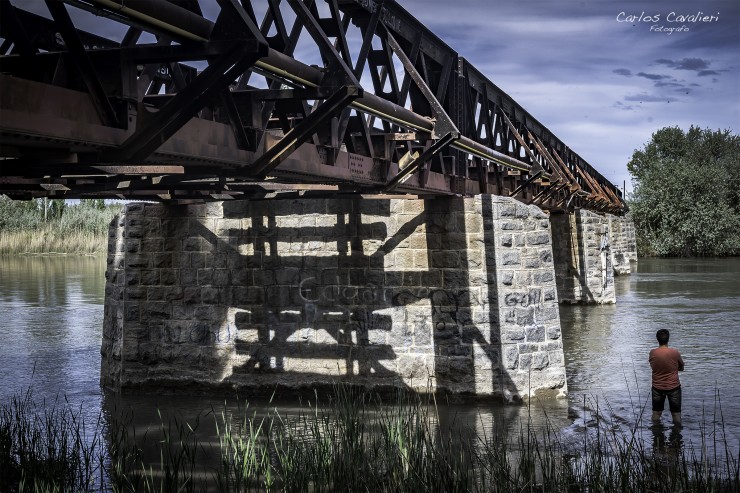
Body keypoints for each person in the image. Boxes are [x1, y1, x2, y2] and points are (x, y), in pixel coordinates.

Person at [649, 329, 685, 425]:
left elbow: (653, 366)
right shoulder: (675, 353)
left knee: (656, 413)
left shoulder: (652, 353)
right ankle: (676, 435)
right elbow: (681, 367)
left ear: (657, 339)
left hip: (657, 387)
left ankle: (656, 433)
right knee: (676, 414)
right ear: (668, 339)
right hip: (674, 387)